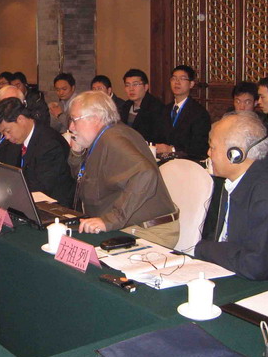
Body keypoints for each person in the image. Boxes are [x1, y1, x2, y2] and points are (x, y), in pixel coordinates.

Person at [67, 91, 179, 247]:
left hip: (148, 231)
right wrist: (77, 153)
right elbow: (83, 179)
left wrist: (111, 220)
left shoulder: (113, 139)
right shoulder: (103, 138)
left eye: (74, 120)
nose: (71, 127)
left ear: (95, 118)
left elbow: (145, 174)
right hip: (131, 227)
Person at [195, 112, 268, 285]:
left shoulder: (266, 195)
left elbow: (257, 265)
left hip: (267, 289)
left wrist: (204, 249)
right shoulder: (242, 179)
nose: (208, 153)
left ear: (235, 154)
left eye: (213, 147)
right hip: (233, 272)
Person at [0, 97, 75, 206]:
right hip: (24, 201)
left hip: (52, 207)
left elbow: (39, 187)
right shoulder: (15, 140)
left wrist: (4, 184)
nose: (6, 137)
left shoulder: (50, 144)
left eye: (7, 131)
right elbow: (2, 166)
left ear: (20, 119)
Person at [155, 65, 211, 160]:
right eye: (174, 78)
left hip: (188, 162)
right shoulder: (165, 110)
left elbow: (200, 147)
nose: (177, 82)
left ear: (191, 84)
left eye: (182, 78)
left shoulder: (199, 113)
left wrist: (172, 149)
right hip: (164, 161)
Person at [118, 69, 165, 144]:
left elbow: (158, 137)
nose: (131, 89)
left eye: (135, 84)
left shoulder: (156, 108)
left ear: (146, 87)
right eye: (127, 85)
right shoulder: (125, 106)